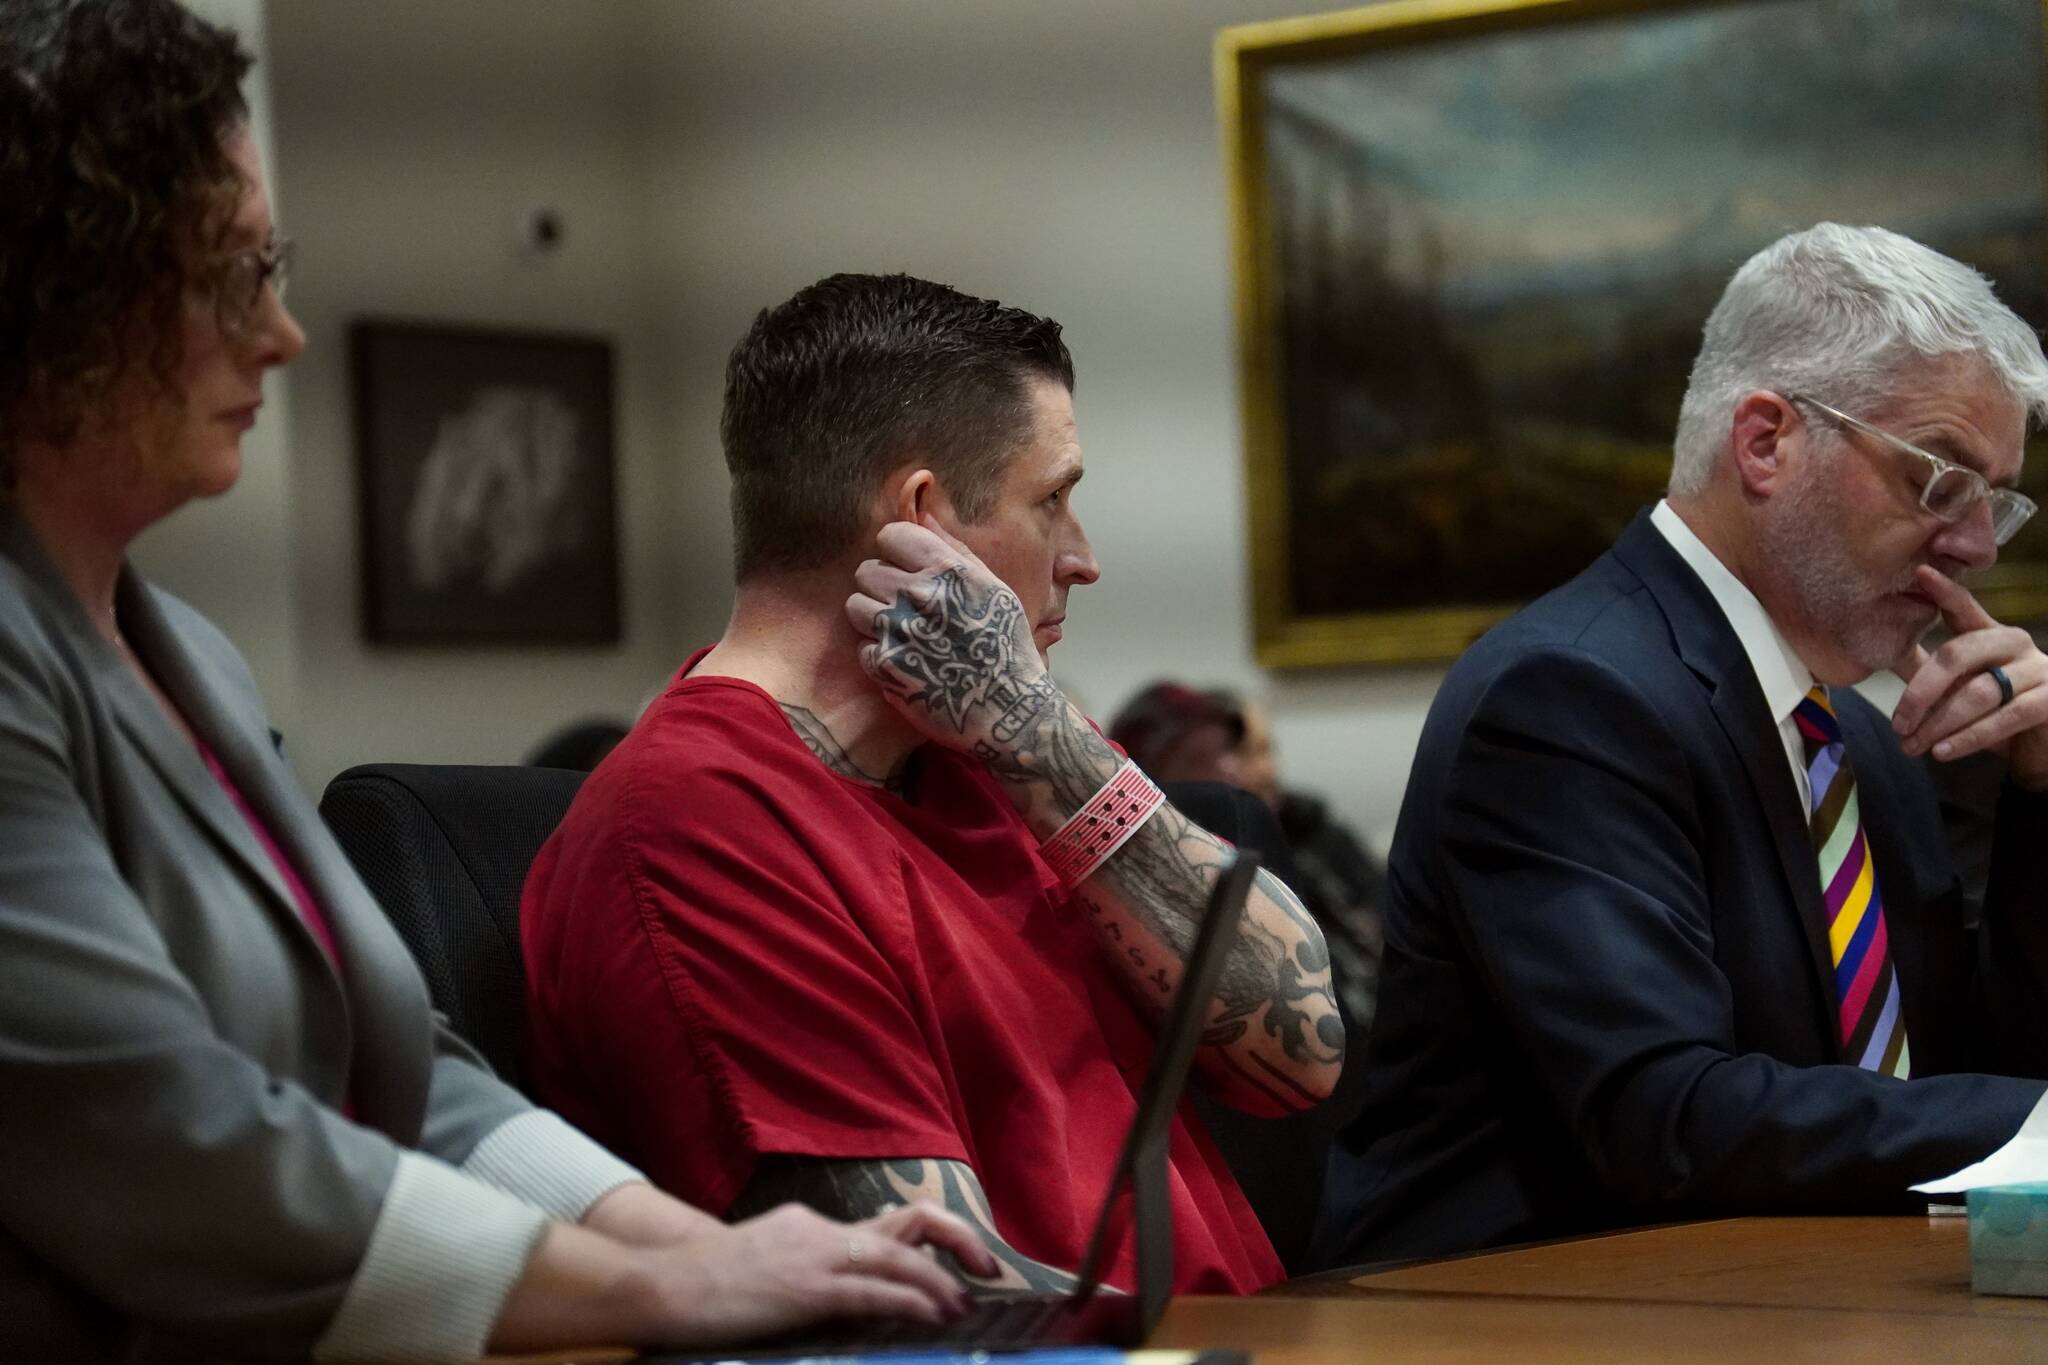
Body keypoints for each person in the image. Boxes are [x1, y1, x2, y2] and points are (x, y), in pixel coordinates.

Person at [0, 5, 992, 1361]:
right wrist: (658, 1294)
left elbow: (398, 1071)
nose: (285, 336)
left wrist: (725, 1255)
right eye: (233, 278)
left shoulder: (194, 657)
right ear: (68, 298)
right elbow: (146, 1133)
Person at [522, 273, 1345, 1296]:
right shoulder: (693, 822)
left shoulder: (998, 728)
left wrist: (1030, 727)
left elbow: (1303, 1046)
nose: (1083, 559)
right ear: (926, 524)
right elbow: (940, 1303)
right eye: (1053, 501)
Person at [1315, 223, 2048, 1268]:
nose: (1973, 543)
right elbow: (1663, 1115)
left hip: (1798, 1302)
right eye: (1937, 479)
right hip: (1510, 1318)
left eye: (1993, 501)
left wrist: (2041, 793)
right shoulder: (1569, 696)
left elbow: (1966, 1075)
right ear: (1763, 442)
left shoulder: (1856, 733)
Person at [1109, 682, 1385, 1038]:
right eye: (1201, 761)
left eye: (1241, 753)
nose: (1241, 773)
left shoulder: (1315, 835)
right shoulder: (1151, 893)